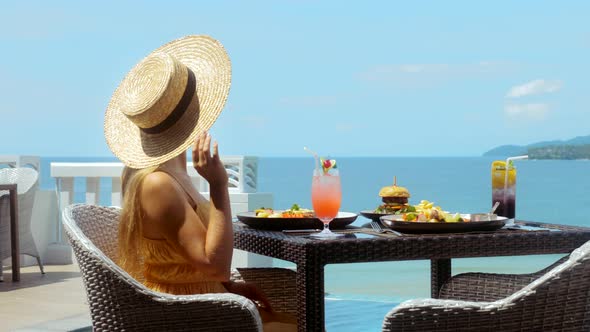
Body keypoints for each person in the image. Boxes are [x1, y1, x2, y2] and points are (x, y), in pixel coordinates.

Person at [104, 35, 296, 331]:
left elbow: (191, 266)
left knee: (305, 317)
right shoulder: (157, 184)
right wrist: (219, 186)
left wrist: (230, 288)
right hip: (191, 316)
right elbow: (213, 263)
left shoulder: (173, 174)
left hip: (209, 302)